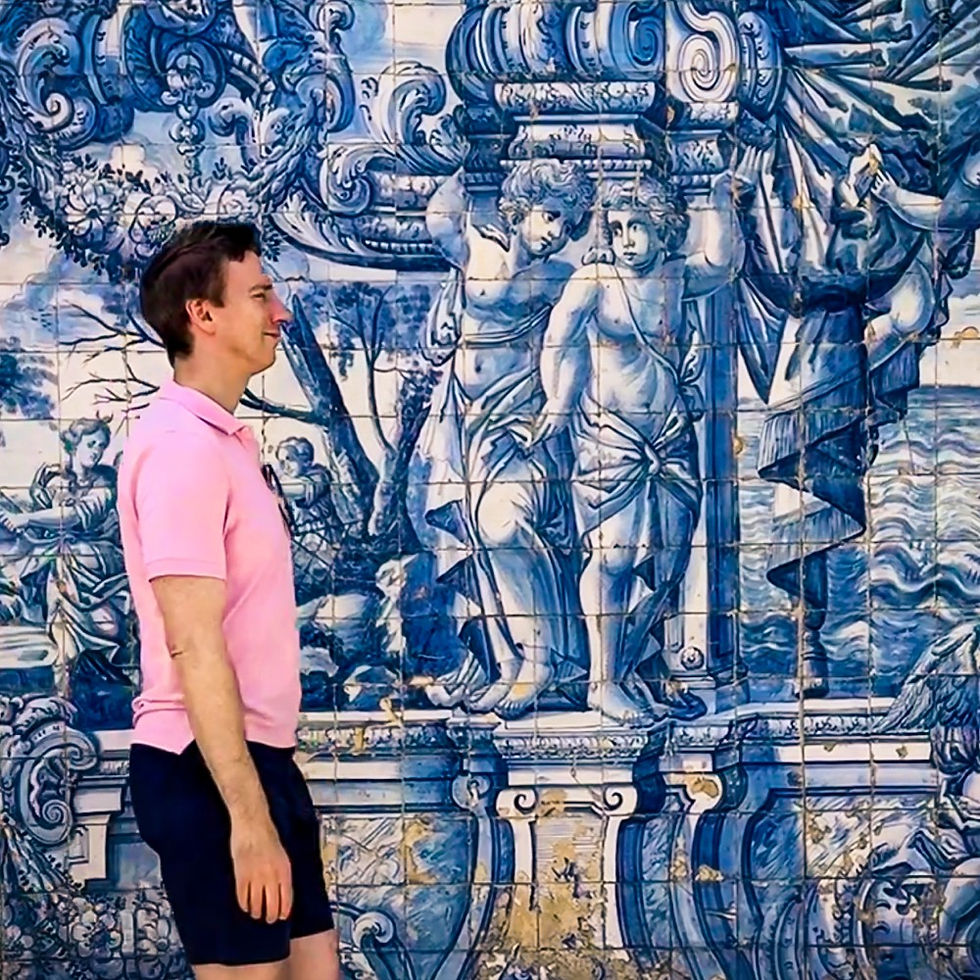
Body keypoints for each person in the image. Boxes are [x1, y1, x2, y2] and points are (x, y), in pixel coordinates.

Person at [117, 221, 338, 979]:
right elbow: (193, 643)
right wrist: (247, 818)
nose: (280, 313)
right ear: (202, 315)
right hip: (206, 767)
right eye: (260, 294)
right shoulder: (179, 447)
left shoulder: (221, 442)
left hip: (256, 761)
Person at [530, 173, 736, 725]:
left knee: (666, 564)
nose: (624, 239)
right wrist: (557, 401)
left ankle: (627, 669)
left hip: (668, 441)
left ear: (664, 229)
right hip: (610, 441)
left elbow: (722, 262)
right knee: (615, 557)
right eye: (616, 228)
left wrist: (718, 195)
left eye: (636, 227)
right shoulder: (595, 279)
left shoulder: (674, 277)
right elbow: (558, 340)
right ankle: (602, 682)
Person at [415, 160, 594, 718]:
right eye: (549, 216)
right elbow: (439, 220)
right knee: (472, 542)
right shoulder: (480, 253)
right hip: (461, 425)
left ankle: (544, 659)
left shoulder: (557, 280)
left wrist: (560, 407)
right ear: (518, 209)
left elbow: (576, 348)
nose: (556, 232)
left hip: (520, 426)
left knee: (501, 525)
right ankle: (509, 662)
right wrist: (460, 166)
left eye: (567, 224)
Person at [0, 418, 130, 691]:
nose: (96, 451)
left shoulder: (105, 484)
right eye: (91, 444)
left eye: (101, 446)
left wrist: (26, 520)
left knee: (62, 554)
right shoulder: (52, 478)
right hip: (63, 552)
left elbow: (72, 517)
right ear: (74, 444)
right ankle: (59, 650)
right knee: (53, 556)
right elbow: (46, 528)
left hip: (101, 556)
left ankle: (17, 594)